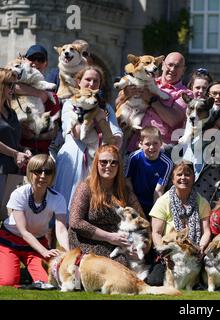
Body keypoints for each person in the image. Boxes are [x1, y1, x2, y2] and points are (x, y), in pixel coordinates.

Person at [54, 66, 123, 213]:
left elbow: (115, 139)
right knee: (66, 199)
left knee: (91, 202)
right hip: (73, 157)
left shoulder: (106, 108)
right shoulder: (69, 104)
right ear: (79, 81)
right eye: (87, 79)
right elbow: (77, 133)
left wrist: (101, 120)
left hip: (96, 158)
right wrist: (95, 115)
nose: (91, 84)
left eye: (95, 81)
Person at [68, 144, 147, 266]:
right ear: (96, 164)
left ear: (119, 166)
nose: (108, 166)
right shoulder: (85, 188)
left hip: (116, 244)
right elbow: (75, 222)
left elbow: (142, 223)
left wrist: (140, 249)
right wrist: (109, 237)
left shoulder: (125, 191)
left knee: (124, 266)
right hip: (86, 243)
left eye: (113, 162)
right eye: (103, 162)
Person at [0, 154, 69, 286]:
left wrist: (67, 251)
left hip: (37, 243)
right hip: (9, 240)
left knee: (46, 281)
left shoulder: (58, 198)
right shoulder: (19, 194)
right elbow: (24, 232)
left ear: (52, 175)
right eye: (38, 171)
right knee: (8, 281)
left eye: (47, 172)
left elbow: (60, 229)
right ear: (30, 172)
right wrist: (44, 252)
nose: (43, 176)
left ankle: (23, 272)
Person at [147, 161, 211, 285]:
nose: (183, 178)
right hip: (169, 255)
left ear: (194, 178)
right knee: (155, 281)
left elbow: (206, 231)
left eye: (187, 174)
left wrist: (201, 247)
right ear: (173, 178)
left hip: (194, 255)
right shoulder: (163, 201)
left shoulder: (202, 202)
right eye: (179, 174)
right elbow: (156, 233)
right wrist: (164, 254)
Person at [125, 52, 192, 150]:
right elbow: (119, 103)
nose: (172, 69)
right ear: (162, 65)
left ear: (183, 70)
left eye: (177, 66)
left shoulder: (186, 94)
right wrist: (126, 94)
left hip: (162, 149)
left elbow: (173, 120)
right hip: (135, 144)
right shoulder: (145, 80)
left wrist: (151, 99)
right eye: (170, 65)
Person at [14, 44, 61, 155]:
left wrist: (35, 135)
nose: (35, 63)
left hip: (41, 157)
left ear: (46, 64)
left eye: (40, 59)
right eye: (31, 58)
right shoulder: (11, 85)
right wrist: (38, 93)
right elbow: (9, 86)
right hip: (17, 154)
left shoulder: (52, 97)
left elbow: (54, 130)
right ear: (24, 60)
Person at [126, 126, 173, 215]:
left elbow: (159, 191)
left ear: (161, 143)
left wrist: (155, 213)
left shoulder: (167, 163)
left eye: (155, 143)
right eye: (147, 144)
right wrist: (134, 203)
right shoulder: (134, 157)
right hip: (134, 200)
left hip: (153, 202)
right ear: (140, 144)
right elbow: (128, 180)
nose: (151, 147)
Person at [0, 68, 31, 174]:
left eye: (14, 85)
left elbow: (12, 142)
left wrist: (24, 150)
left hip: (13, 171)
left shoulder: (11, 112)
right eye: (10, 85)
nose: (13, 89)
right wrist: (15, 154)